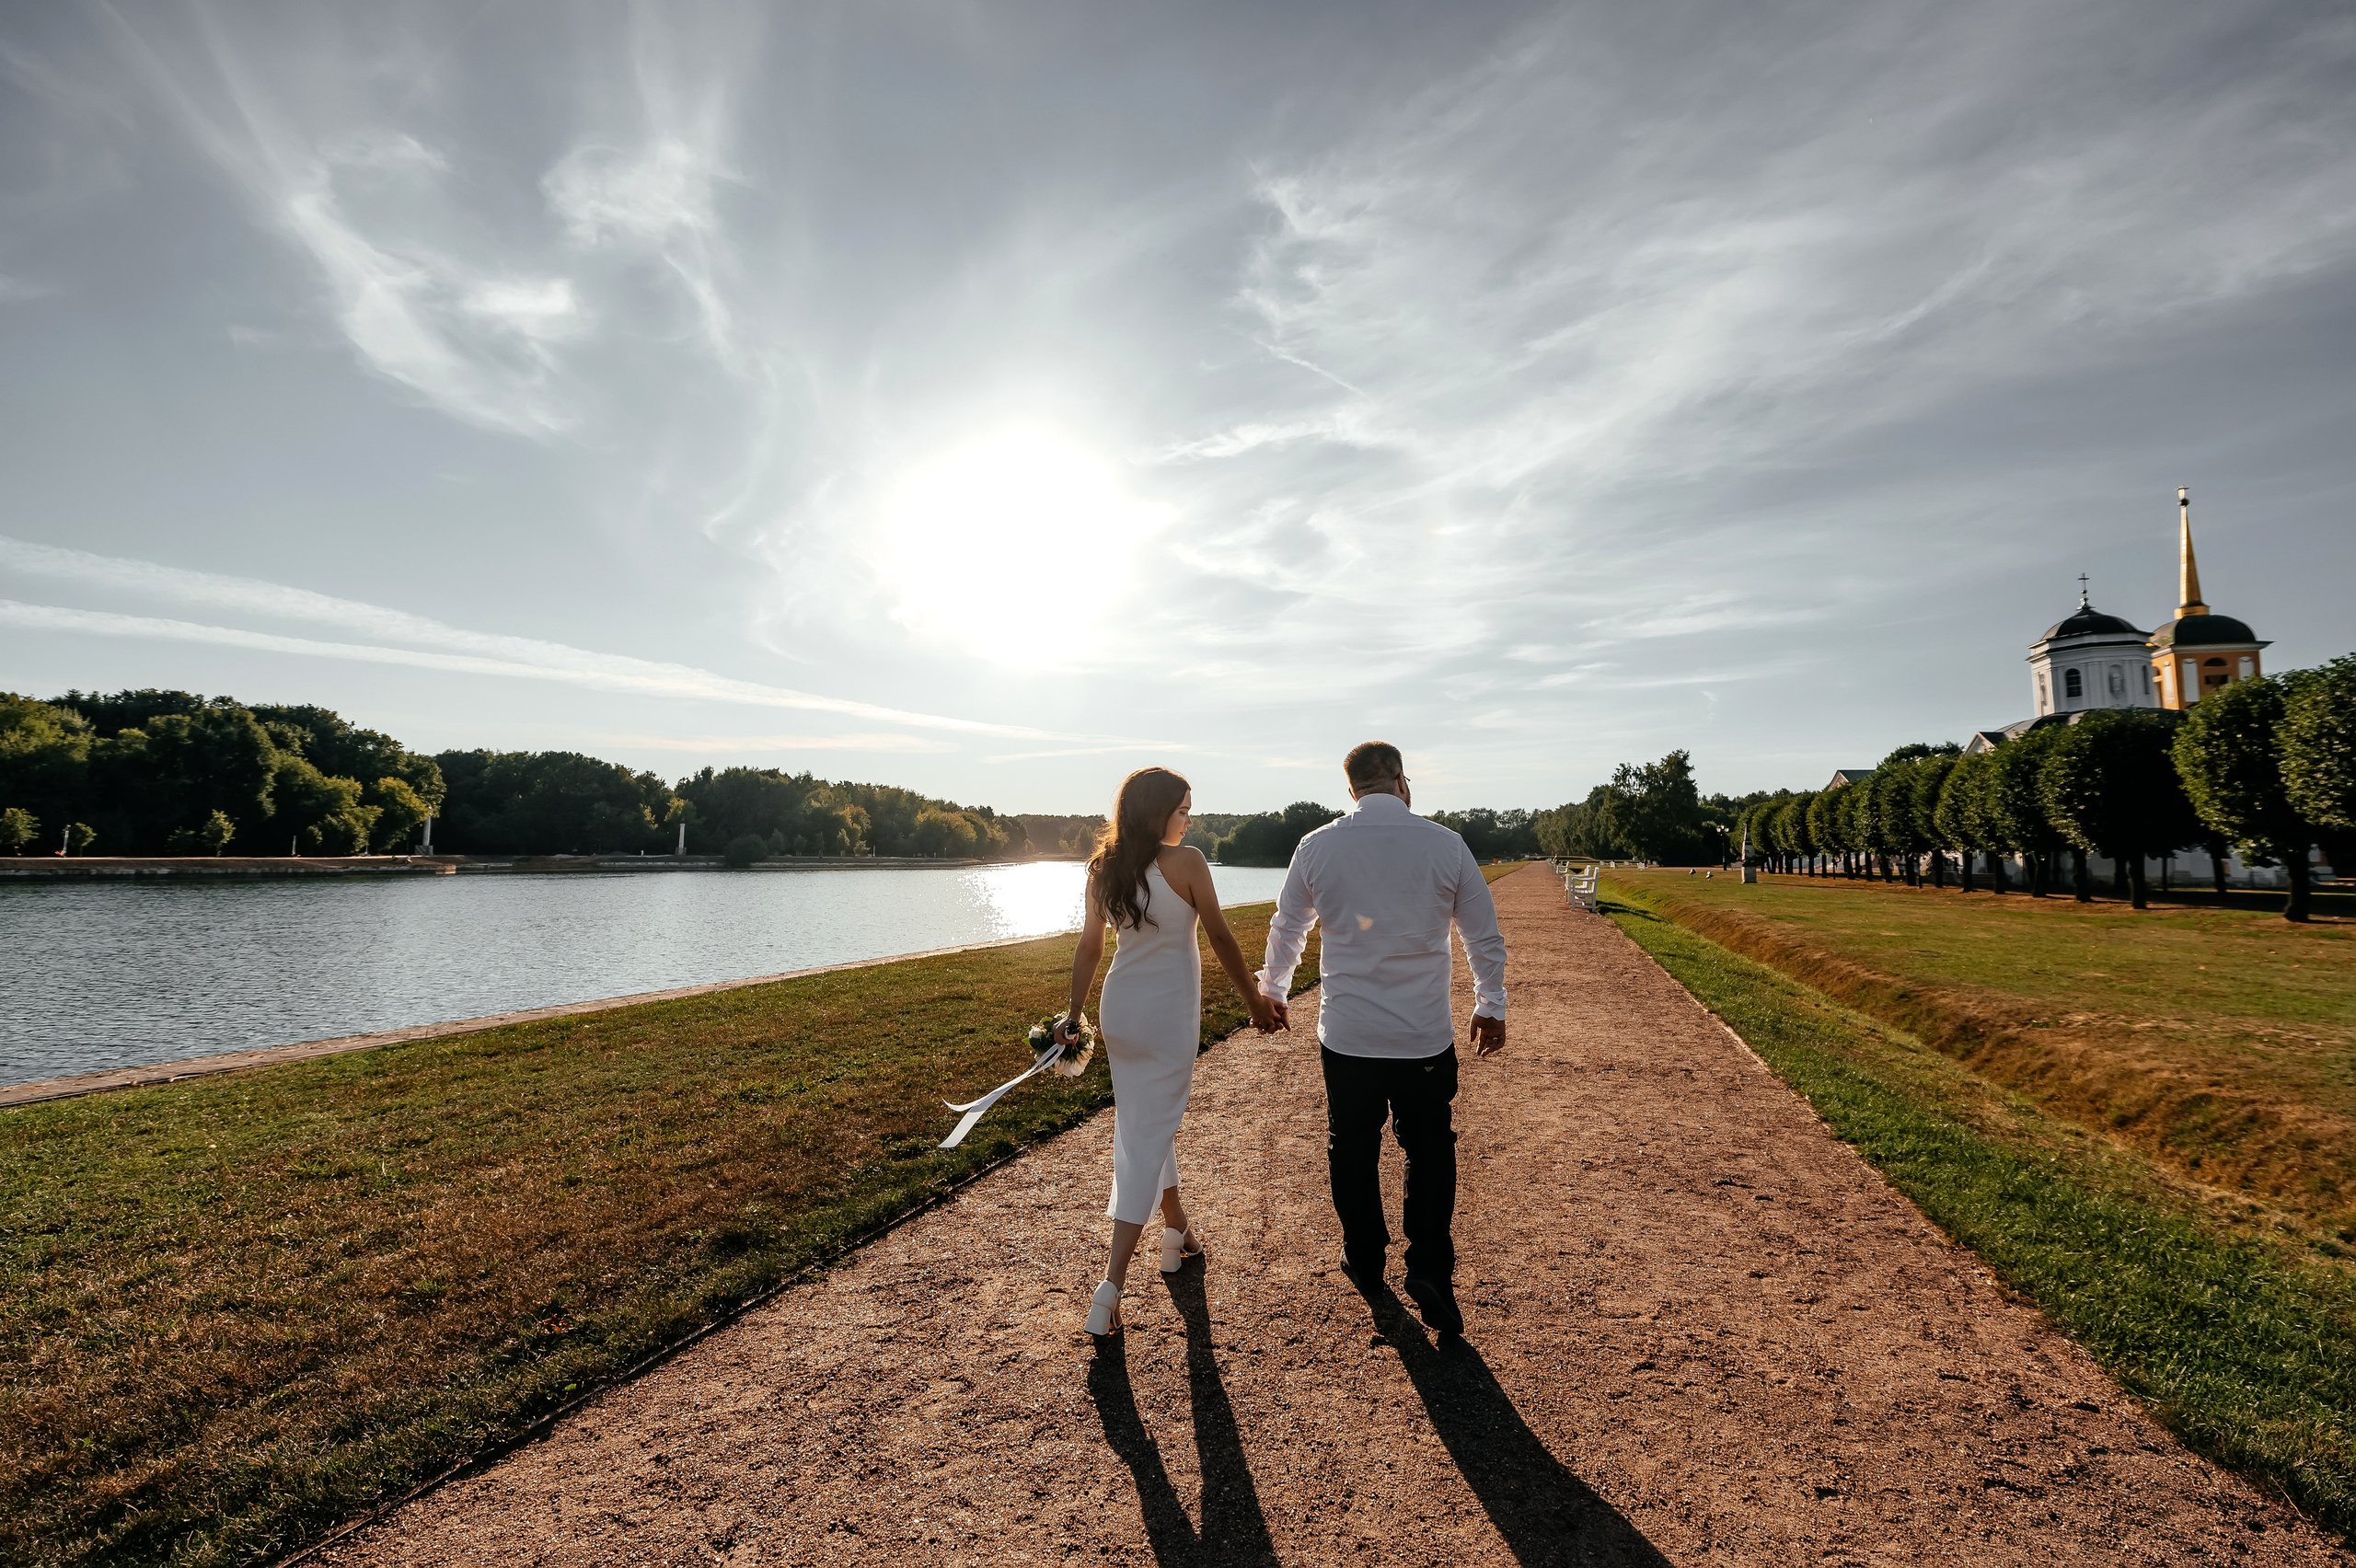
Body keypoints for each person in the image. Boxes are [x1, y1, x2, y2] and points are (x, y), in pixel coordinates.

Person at [1259, 741, 1507, 1337]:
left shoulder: (1318, 846)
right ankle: (1428, 1265)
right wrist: (1489, 1005)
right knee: (1429, 1148)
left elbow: (1288, 927)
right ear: (1401, 780)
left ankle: (1366, 1260)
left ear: (1351, 789)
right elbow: (1483, 934)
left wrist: (1273, 991)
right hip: (1421, 1035)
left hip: (1348, 1035)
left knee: (1352, 1147)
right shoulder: (1444, 844)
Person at [1061, 767, 1282, 1337]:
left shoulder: (1102, 869)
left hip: (1120, 1011)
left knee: (1144, 1122)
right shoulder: (1188, 864)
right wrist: (1255, 1003)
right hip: (1165, 1018)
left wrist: (1074, 1014)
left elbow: (1090, 949)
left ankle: (1175, 1230)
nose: (1190, 818)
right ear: (1158, 812)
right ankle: (1109, 1287)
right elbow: (1222, 937)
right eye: (1183, 809)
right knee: (1143, 1135)